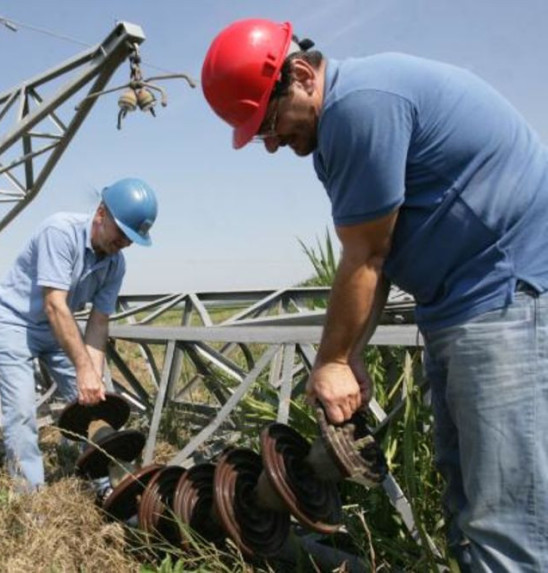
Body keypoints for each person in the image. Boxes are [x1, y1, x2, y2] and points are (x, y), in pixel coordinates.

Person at [201, 18, 548, 572]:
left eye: (266, 122)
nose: (269, 144)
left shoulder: (360, 107)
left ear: (299, 75)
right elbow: (379, 251)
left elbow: (365, 255)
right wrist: (353, 351)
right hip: (459, 306)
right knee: (468, 508)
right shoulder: (333, 129)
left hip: (507, 296)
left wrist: (334, 360)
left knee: (506, 520)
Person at [0, 177, 158, 491]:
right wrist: (82, 369)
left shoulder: (115, 264)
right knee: (23, 413)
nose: (126, 244)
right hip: (14, 323)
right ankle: (31, 502)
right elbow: (54, 304)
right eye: (123, 233)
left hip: (56, 330)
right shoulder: (60, 232)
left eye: (133, 239)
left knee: (99, 402)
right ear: (101, 213)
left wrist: (93, 376)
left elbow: (98, 322)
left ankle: (109, 486)